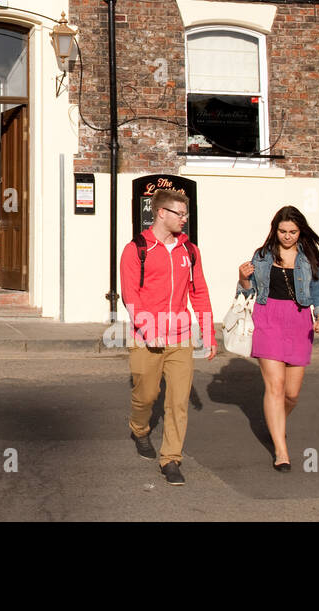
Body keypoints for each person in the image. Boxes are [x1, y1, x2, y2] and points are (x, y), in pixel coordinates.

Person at [119, 188, 216, 486]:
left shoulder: (190, 251)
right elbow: (130, 295)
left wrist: (209, 334)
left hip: (180, 337)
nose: (184, 219)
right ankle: (139, 428)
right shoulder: (136, 249)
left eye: (186, 214)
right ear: (161, 213)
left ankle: (171, 459)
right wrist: (149, 330)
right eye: (180, 214)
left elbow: (199, 293)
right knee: (146, 395)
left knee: (178, 401)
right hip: (147, 336)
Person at [237, 205, 319, 472]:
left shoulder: (308, 257)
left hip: (300, 322)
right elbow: (247, 293)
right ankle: (281, 450)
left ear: (300, 231)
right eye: (282, 231)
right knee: (275, 388)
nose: (287, 236)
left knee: (291, 394)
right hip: (268, 319)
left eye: (292, 231)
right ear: (274, 230)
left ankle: (275, 422)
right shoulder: (262, 255)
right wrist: (243, 279)